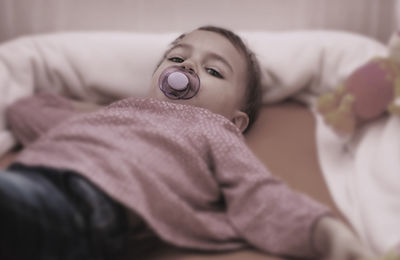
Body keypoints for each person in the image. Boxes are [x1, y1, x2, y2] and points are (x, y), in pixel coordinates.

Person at [0, 26, 375, 260]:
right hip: (36, 179)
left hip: (87, 203)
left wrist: (330, 238)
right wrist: (106, 109)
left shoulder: (212, 128)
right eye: (177, 57)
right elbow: (27, 111)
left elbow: (259, 195)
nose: (188, 68)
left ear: (236, 119)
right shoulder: (107, 116)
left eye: (214, 71)